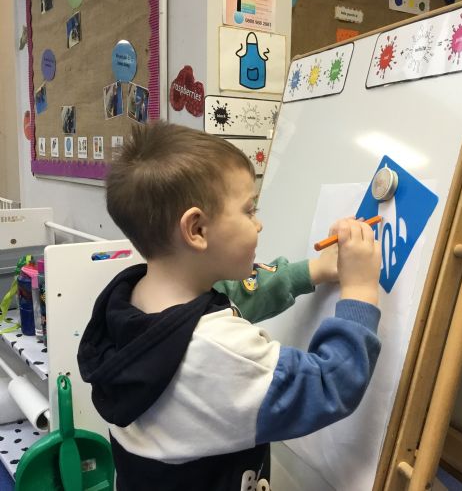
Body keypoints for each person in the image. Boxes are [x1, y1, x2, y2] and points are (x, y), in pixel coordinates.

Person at [77, 121, 382, 491]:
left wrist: (315, 270)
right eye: (249, 210)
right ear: (197, 230)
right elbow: (329, 384)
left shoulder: (130, 302)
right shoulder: (217, 351)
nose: (259, 224)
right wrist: (360, 288)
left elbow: (236, 296)